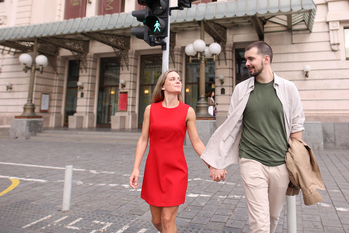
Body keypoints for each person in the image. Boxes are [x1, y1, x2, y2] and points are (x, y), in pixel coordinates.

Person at [201, 41, 305, 233]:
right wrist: (218, 161)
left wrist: (298, 164)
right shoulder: (241, 89)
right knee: (259, 222)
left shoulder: (288, 88)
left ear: (266, 59)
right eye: (245, 59)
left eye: (251, 58)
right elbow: (232, 128)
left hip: (280, 162)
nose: (247, 63)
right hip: (251, 160)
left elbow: (296, 127)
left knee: (272, 216)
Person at [129, 70, 208, 233]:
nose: (178, 81)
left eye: (179, 79)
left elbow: (197, 142)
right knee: (157, 220)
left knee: (167, 220)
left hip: (176, 171)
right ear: (163, 86)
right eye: (172, 79)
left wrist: (213, 164)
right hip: (154, 170)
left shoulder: (188, 111)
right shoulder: (150, 110)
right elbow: (143, 139)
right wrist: (136, 168)